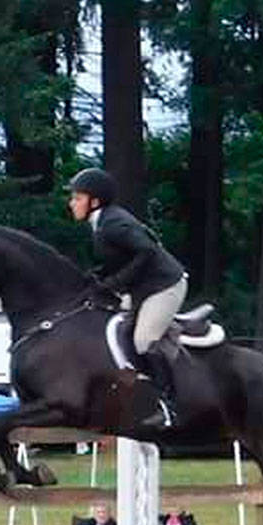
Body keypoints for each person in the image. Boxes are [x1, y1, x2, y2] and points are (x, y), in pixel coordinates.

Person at [68, 167, 188, 428]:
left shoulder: (113, 223)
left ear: (94, 201)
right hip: (143, 288)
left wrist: (114, 283)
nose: (72, 204)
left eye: (77, 198)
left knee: (143, 341)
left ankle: (169, 406)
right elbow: (119, 260)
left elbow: (147, 252)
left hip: (164, 286)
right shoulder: (102, 222)